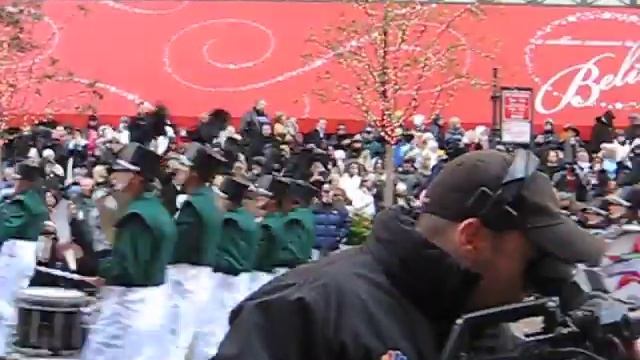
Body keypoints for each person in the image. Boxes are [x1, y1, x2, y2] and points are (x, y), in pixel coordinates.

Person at [215, 150, 608, 360]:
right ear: (472, 236)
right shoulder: (305, 309)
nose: (537, 280)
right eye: (535, 256)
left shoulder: (479, 322)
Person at [81, 143, 177, 360]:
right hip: (150, 298)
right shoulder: (156, 209)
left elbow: (127, 268)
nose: (113, 176)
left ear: (136, 177)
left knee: (103, 351)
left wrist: (97, 267)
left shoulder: (138, 215)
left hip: (131, 302)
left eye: (120, 171)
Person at [166, 143, 226, 360]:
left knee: (174, 340)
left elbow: (176, 245)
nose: (178, 172)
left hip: (184, 275)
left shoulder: (194, 205)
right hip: (199, 276)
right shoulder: (210, 201)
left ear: (195, 174)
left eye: (183, 168)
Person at [206, 176, 260, 359]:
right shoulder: (248, 219)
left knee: (211, 330)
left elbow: (226, 257)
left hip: (224, 280)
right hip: (239, 279)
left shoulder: (230, 222)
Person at [0, 159, 48, 358]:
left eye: (19, 180)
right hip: (22, 253)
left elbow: (5, 228)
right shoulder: (34, 200)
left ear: (27, 181)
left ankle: (5, 346)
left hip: (14, 253)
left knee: (4, 303)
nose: (15, 183)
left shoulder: (23, 203)